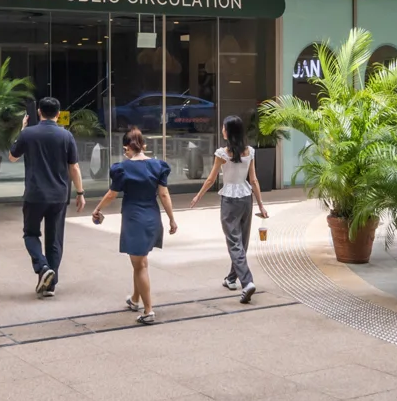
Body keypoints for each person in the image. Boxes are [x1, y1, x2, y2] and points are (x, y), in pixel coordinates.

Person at [91, 126, 176, 324]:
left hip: (134, 218)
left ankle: (148, 311)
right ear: (144, 145)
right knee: (140, 262)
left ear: (127, 148)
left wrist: (98, 209)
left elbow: (112, 194)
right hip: (152, 217)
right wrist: (171, 218)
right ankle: (135, 299)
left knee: (140, 265)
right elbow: (163, 194)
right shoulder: (158, 166)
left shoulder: (123, 168)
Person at [10, 96, 84, 297]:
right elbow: (74, 167)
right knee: (55, 239)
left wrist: (23, 130)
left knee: (31, 233)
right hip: (59, 195)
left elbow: (12, 156)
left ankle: (43, 268)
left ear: (39, 112)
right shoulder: (66, 136)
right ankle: (51, 284)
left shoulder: (29, 134)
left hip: (35, 194)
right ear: (58, 114)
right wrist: (80, 192)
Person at [189, 115, 269, 303]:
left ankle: (247, 281)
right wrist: (261, 205)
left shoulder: (222, 154)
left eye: (224, 127)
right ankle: (231, 278)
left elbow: (210, 179)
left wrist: (198, 196)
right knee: (242, 241)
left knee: (234, 242)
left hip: (230, 200)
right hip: (246, 198)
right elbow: (254, 180)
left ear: (229, 131)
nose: (222, 130)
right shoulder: (249, 152)